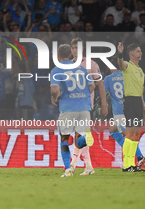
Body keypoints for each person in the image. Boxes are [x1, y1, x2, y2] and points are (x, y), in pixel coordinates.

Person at [50, 44, 95, 177]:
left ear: (58, 56)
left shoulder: (57, 70)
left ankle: (68, 169)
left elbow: (54, 89)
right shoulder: (81, 69)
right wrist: (84, 96)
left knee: (64, 138)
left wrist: (55, 97)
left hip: (68, 108)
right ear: (71, 55)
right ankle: (87, 138)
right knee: (79, 138)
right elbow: (92, 86)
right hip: (84, 108)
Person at [70, 37, 108, 175]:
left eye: (77, 48)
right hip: (72, 106)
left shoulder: (91, 64)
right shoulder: (68, 65)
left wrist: (104, 104)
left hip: (86, 105)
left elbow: (100, 85)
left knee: (80, 134)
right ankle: (88, 166)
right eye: (73, 48)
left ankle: (72, 166)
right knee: (80, 136)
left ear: (82, 49)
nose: (74, 51)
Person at [104, 58, 145, 169]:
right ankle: (134, 159)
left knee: (128, 136)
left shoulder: (108, 79)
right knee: (113, 131)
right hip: (132, 108)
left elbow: (102, 92)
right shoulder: (128, 75)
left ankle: (138, 157)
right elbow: (140, 88)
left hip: (120, 112)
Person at [118, 43, 145, 172]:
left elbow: (141, 89)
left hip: (138, 103)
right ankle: (126, 165)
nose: (141, 53)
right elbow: (121, 64)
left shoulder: (140, 70)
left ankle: (132, 165)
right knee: (130, 133)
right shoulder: (127, 66)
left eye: (140, 51)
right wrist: (120, 54)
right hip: (130, 102)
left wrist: (143, 103)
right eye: (138, 51)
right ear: (131, 53)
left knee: (136, 134)